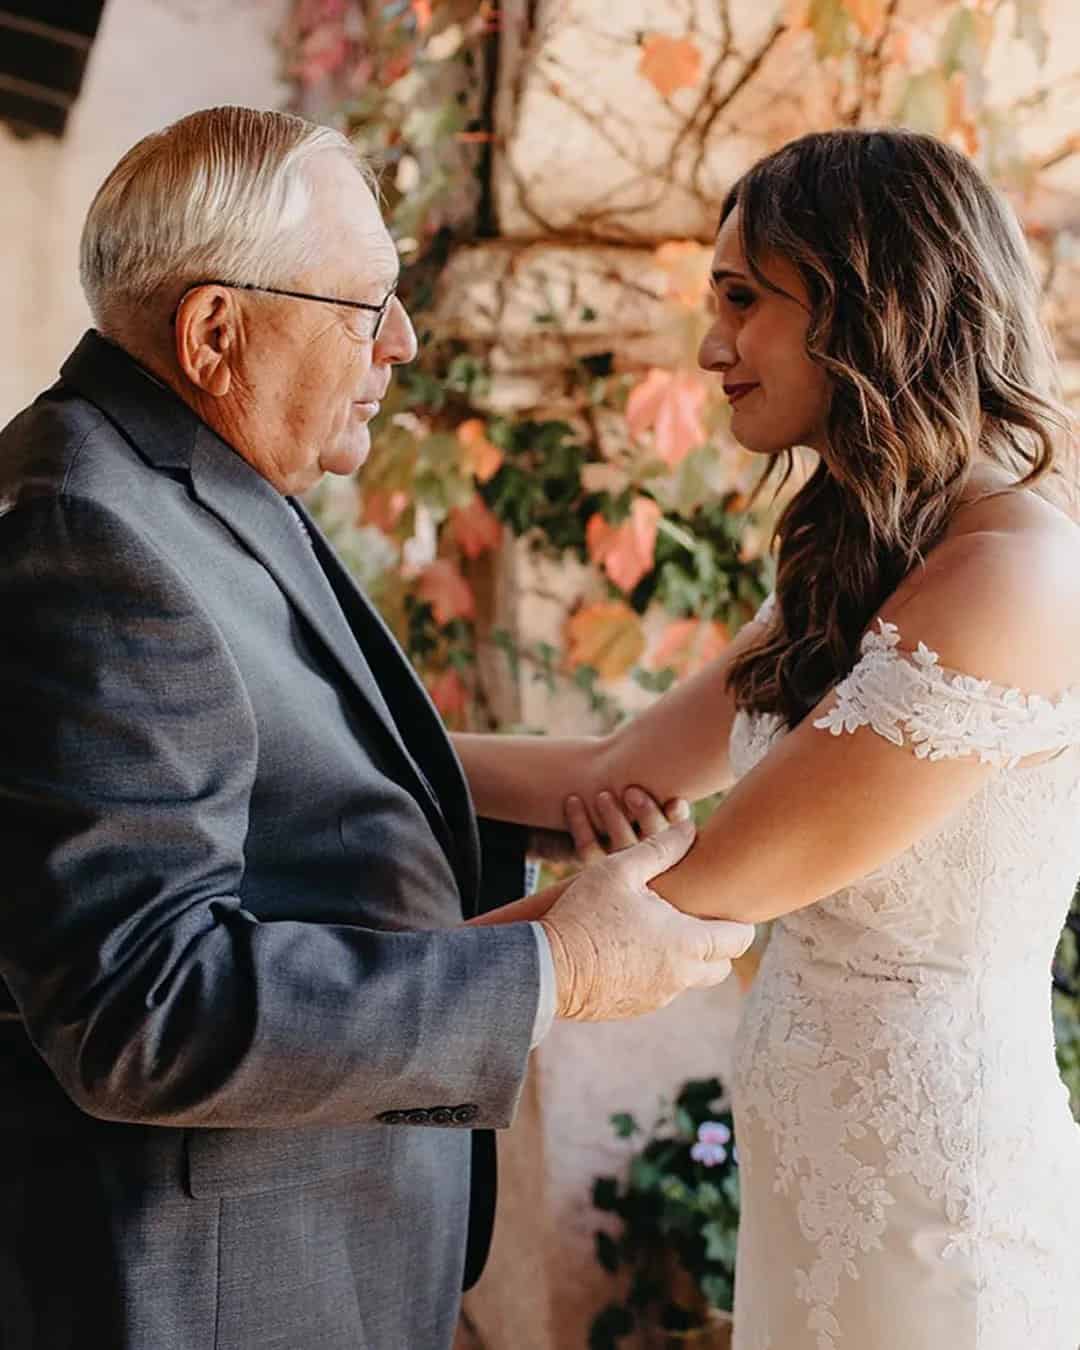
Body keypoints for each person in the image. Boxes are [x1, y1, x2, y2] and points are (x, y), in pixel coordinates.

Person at [0, 106, 754, 1350]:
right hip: (208, 1286)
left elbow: (270, 789)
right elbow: (140, 1008)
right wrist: (556, 973)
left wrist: (530, 855)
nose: (400, 342)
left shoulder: (181, 470)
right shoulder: (90, 534)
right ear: (214, 332)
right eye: (366, 305)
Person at [454, 129, 1080, 1349]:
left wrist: (329, 988)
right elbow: (606, 776)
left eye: (743, 299)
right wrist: (322, 742)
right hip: (813, 1185)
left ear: (873, 300)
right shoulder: (869, 565)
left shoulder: (1014, 579)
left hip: (941, 1216)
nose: (710, 347)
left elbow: (701, 885)